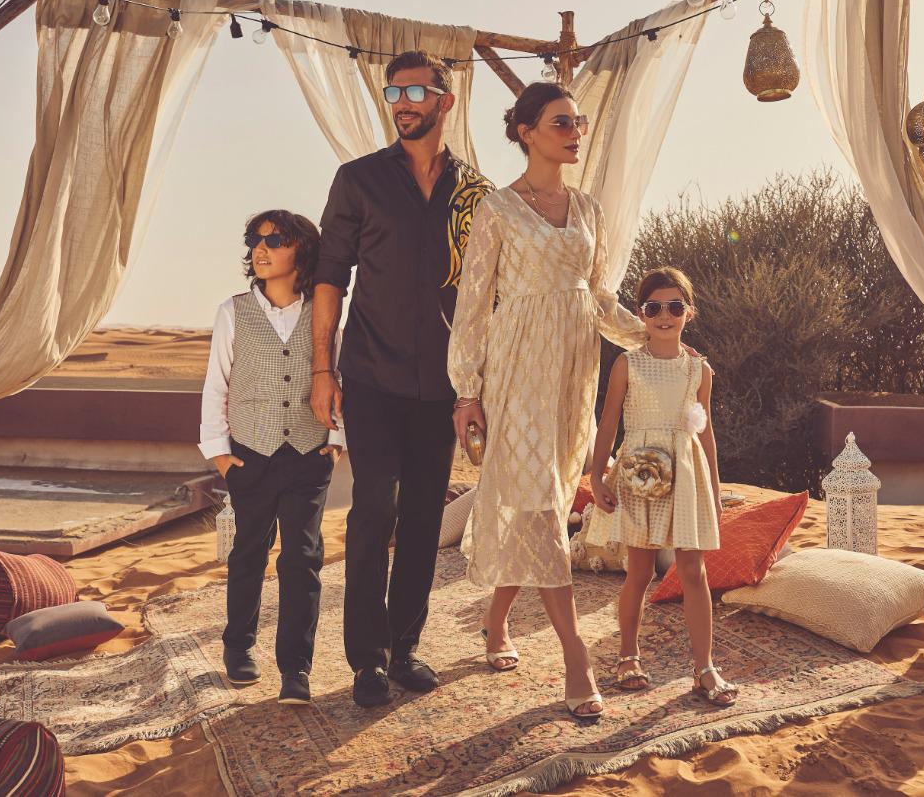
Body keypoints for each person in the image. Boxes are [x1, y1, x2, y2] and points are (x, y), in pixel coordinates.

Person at [448, 81, 648, 721]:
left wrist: (652, 339)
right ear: (526, 132)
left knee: (550, 500)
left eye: (578, 122)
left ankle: (496, 618)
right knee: (536, 501)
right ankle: (575, 658)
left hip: (573, 371)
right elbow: (473, 306)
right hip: (517, 370)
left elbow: (598, 295)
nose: (575, 132)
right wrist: (467, 390)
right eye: (562, 122)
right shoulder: (498, 209)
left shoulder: (588, 209)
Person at [311, 51, 493, 708]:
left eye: (416, 91)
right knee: (375, 507)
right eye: (394, 92)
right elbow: (330, 279)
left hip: (442, 383)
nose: (403, 103)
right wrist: (322, 367)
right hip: (370, 374)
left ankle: (406, 647)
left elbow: (487, 295)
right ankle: (367, 660)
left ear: (446, 100)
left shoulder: (476, 194)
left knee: (422, 514)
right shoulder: (357, 180)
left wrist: (477, 387)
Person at [199, 210, 344, 706]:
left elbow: (339, 375)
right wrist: (219, 454)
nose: (261, 248)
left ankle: (295, 668)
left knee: (302, 559)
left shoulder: (324, 311)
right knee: (249, 552)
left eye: (275, 240)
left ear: (301, 249)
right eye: (254, 239)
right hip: (250, 456)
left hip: (308, 452)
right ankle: (238, 646)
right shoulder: (232, 311)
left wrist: (336, 438)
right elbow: (216, 385)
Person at [590, 267, 738, 707]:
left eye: (675, 306)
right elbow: (609, 423)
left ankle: (704, 668)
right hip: (641, 474)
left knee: (694, 571)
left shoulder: (698, 369)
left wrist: (714, 488)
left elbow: (706, 432)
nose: (665, 316)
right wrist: (597, 476)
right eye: (654, 308)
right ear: (641, 313)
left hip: (686, 475)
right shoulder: (627, 364)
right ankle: (628, 656)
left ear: (689, 312)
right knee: (639, 571)